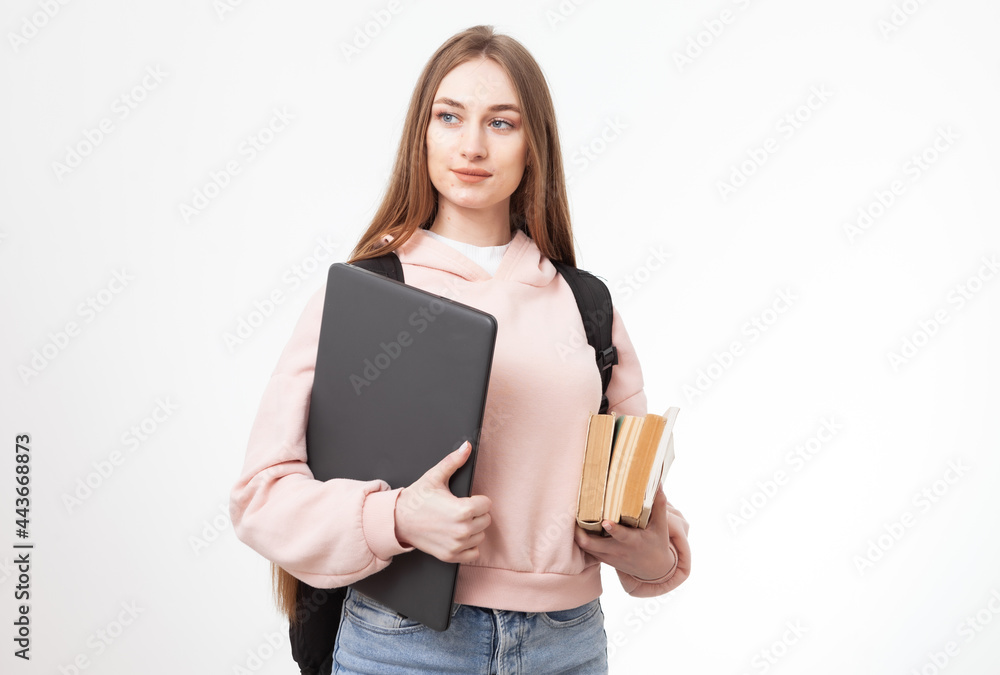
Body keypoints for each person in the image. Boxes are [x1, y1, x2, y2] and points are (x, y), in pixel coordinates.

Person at [229, 24, 691, 675]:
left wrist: (649, 553)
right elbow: (260, 497)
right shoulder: (367, 291)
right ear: (423, 132)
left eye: (501, 123)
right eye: (450, 117)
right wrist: (397, 517)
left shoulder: (588, 305)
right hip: (405, 643)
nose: (472, 145)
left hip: (568, 644)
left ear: (535, 145)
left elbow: (652, 535)